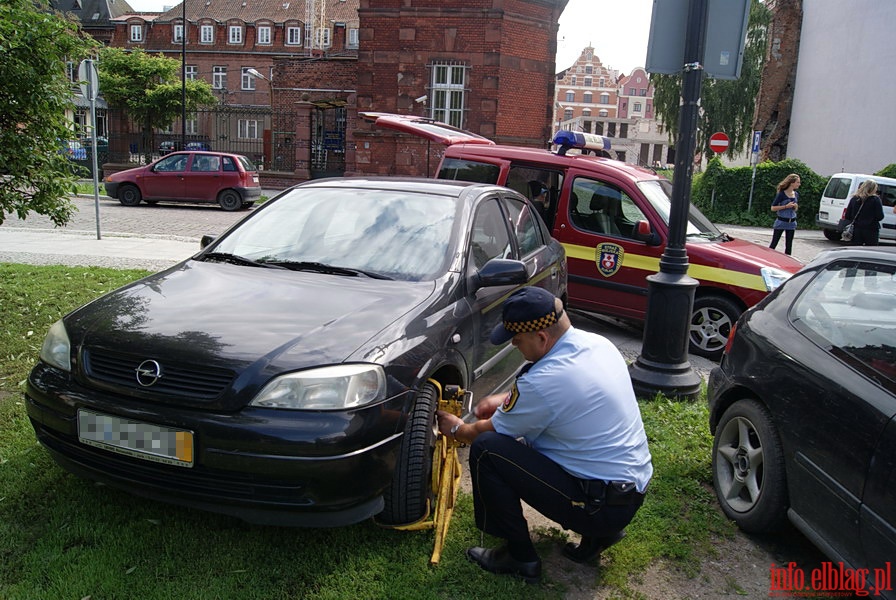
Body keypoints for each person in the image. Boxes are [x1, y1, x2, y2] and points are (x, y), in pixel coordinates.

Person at [436, 287, 652, 584]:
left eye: (517, 339)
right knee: (523, 441)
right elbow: (554, 396)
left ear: (541, 338)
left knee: (488, 450)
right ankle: (599, 535)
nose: (513, 344)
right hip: (627, 490)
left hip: (599, 504)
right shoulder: (596, 344)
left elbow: (482, 432)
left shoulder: (545, 381)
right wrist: (500, 402)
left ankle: (520, 556)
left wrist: (455, 428)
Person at [843, 180, 885, 246]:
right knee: (870, 251)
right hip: (871, 229)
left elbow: (847, 215)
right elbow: (880, 216)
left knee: (856, 249)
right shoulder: (875, 200)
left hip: (856, 229)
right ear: (873, 189)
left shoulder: (854, 199)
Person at [769, 174, 800, 255]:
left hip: (792, 222)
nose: (799, 184)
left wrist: (795, 207)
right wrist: (786, 206)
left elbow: (795, 209)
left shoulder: (796, 194)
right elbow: (773, 208)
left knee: (789, 245)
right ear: (791, 183)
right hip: (781, 221)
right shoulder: (782, 194)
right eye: (797, 182)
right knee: (774, 243)